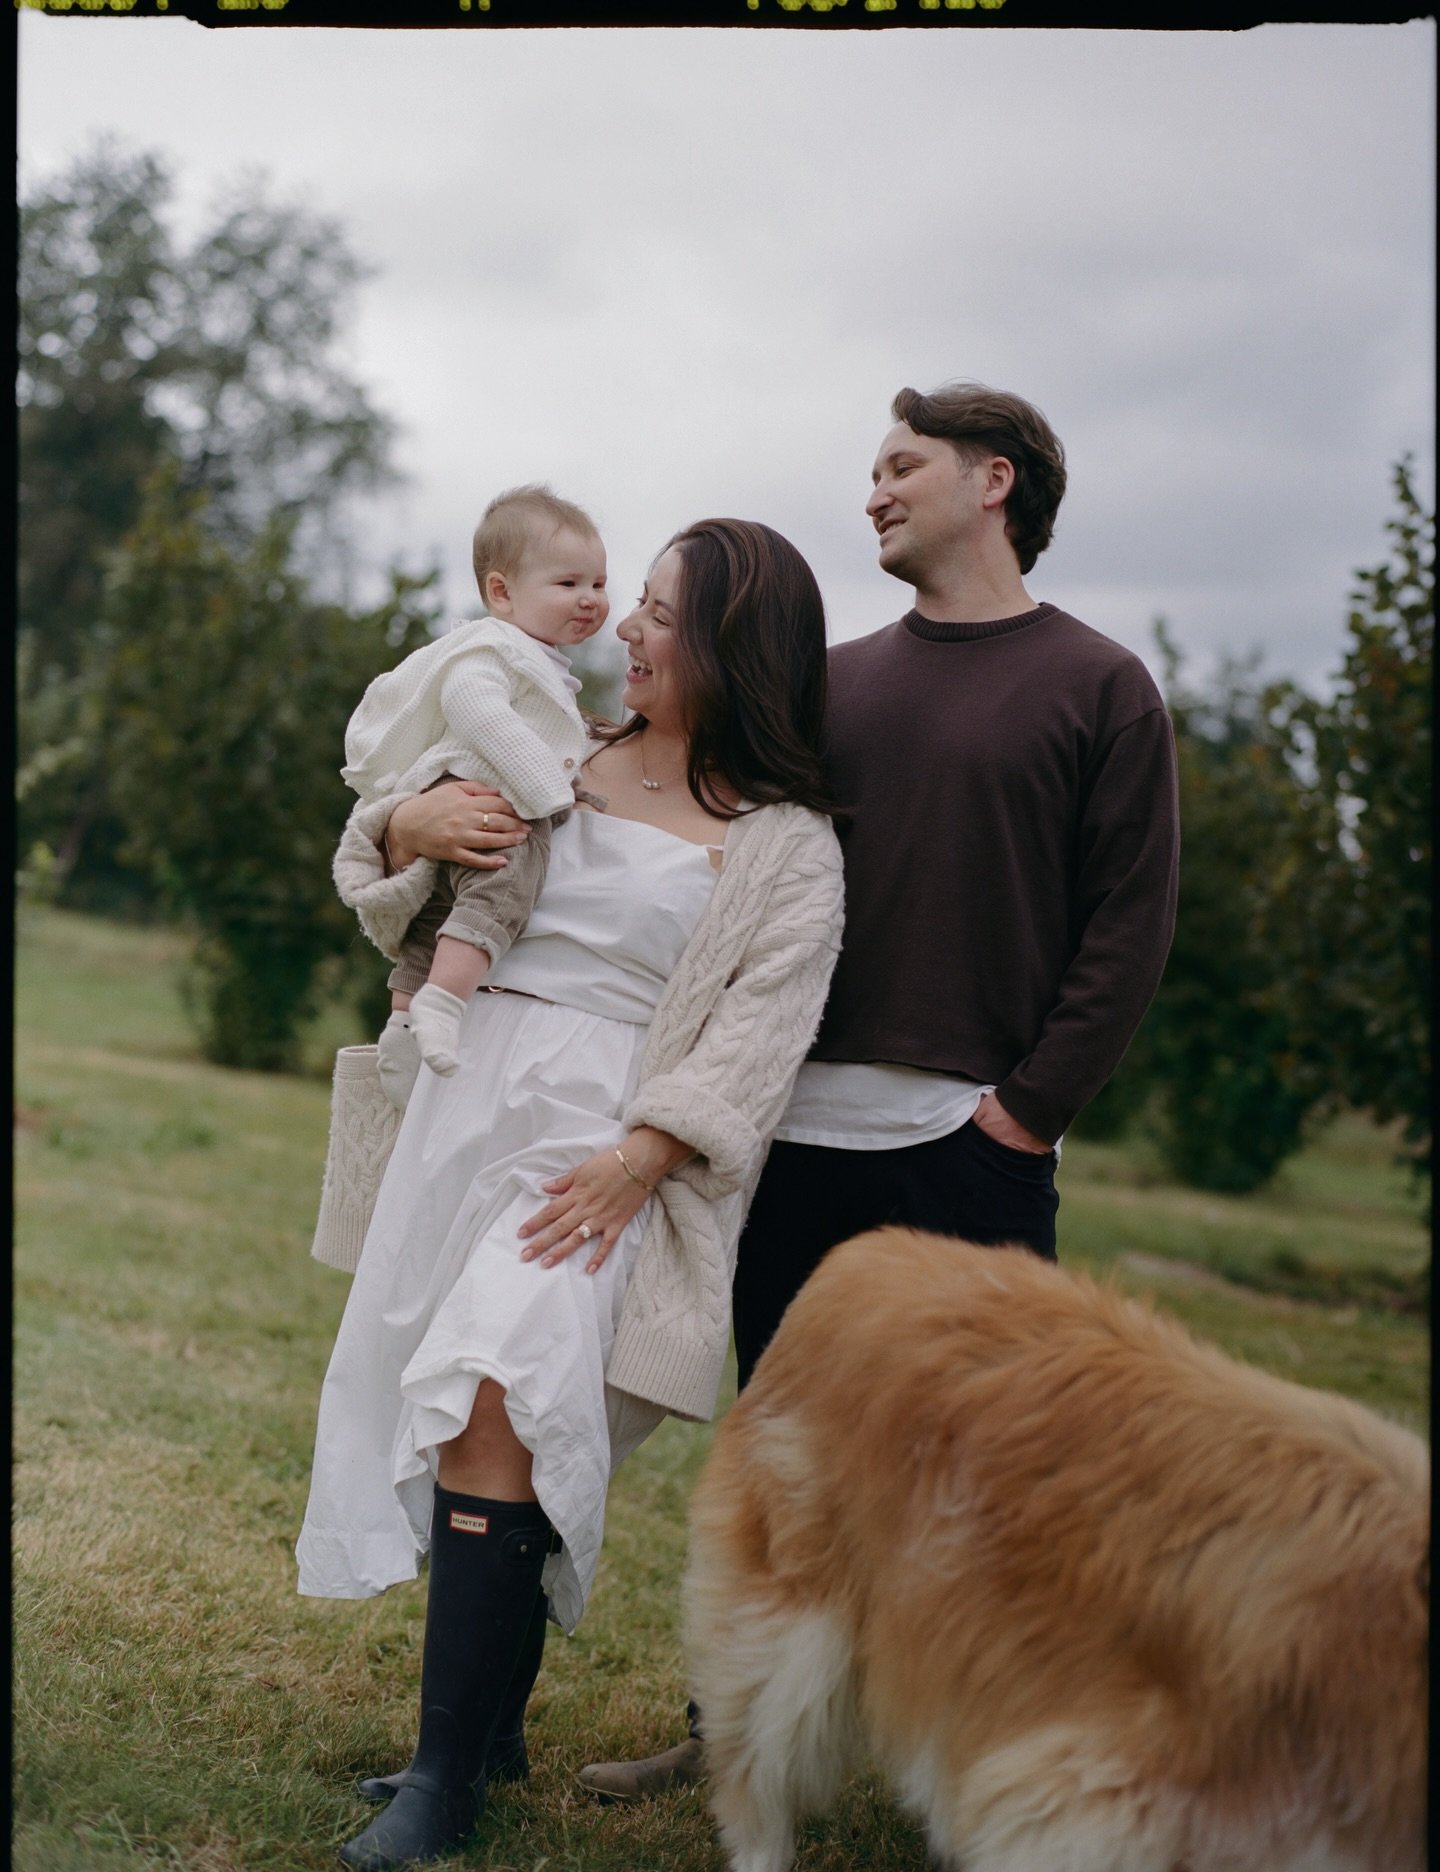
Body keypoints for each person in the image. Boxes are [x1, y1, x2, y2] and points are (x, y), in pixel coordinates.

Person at [577, 380, 1181, 1800]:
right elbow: (707, 830)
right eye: (869, 469)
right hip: (784, 1136)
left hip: (966, 1146)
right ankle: (738, 1735)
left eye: (900, 466)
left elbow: (1129, 927)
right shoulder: (833, 682)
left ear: (996, 481)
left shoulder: (1101, 688)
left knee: (975, 1476)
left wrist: (1023, 1116)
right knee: (781, 1458)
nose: (872, 491)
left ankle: (966, 1764)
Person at [295, 517, 846, 1871]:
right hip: (466, 1099)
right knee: (480, 1400)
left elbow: (755, 1048)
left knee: (502, 1390)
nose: (627, 630)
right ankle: (483, 1736)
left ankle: (442, 1786)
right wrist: (407, 822)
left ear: (726, 646)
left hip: (604, 1153)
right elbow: (390, 860)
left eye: (658, 613)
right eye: (633, 604)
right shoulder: (562, 749)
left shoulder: (790, 847)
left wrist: (640, 1160)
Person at [341, 484, 608, 1101]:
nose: (591, 600)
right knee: (504, 883)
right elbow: (476, 709)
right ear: (501, 592)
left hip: (467, 787)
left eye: (598, 583)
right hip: (486, 789)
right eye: (568, 584)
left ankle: (404, 1025)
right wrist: (548, 794)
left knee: (437, 913)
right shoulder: (495, 648)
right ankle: (445, 1001)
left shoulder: (538, 659)